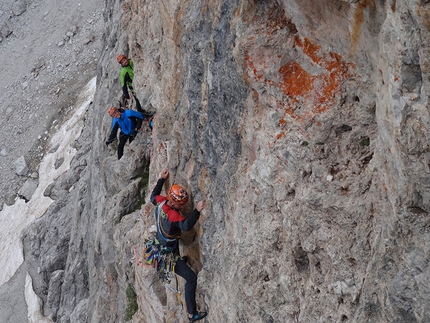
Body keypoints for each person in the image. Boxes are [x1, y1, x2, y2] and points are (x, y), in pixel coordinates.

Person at [150, 168, 208, 322]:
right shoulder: (173, 215)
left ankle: (180, 261)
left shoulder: (161, 202)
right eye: (181, 205)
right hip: (167, 255)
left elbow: (152, 196)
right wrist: (196, 210)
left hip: (158, 247)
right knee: (191, 278)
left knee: (176, 254)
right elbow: (186, 226)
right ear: (175, 203)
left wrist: (161, 179)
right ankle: (191, 315)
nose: (183, 207)